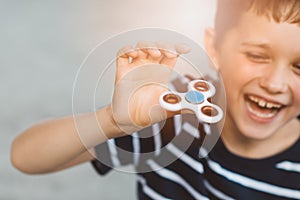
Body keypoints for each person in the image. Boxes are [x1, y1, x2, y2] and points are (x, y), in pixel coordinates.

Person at [11, 0, 300, 199]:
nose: (274, 84)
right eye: (257, 56)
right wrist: (112, 121)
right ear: (214, 47)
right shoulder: (172, 109)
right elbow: (25, 157)